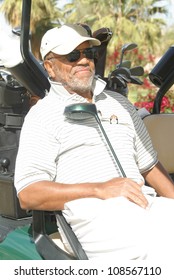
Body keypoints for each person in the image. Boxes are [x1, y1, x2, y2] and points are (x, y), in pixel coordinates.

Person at [14, 23, 174, 260]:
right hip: (93, 215)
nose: (83, 61)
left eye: (88, 53)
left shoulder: (119, 103)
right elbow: (28, 193)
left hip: (143, 204)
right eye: (71, 55)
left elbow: (149, 166)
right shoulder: (42, 115)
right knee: (159, 250)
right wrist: (100, 189)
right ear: (50, 67)